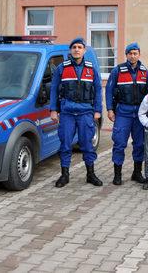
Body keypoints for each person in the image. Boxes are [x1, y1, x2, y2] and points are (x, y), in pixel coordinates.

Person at [50, 37, 103, 187]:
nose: (77, 49)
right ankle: (64, 175)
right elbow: (54, 90)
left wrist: (98, 110)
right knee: (65, 144)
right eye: (74, 47)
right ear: (70, 50)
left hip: (86, 112)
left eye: (80, 47)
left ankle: (90, 174)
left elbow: (98, 90)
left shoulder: (91, 69)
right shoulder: (62, 68)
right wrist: (54, 110)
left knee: (87, 144)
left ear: (84, 50)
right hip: (67, 113)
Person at [106, 42, 148, 185]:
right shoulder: (117, 71)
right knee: (119, 143)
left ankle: (136, 173)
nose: (133, 56)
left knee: (140, 144)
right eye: (130, 53)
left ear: (139, 54)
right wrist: (109, 109)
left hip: (139, 114)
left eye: (135, 53)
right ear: (126, 55)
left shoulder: (144, 72)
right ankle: (117, 175)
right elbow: (109, 90)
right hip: (123, 113)